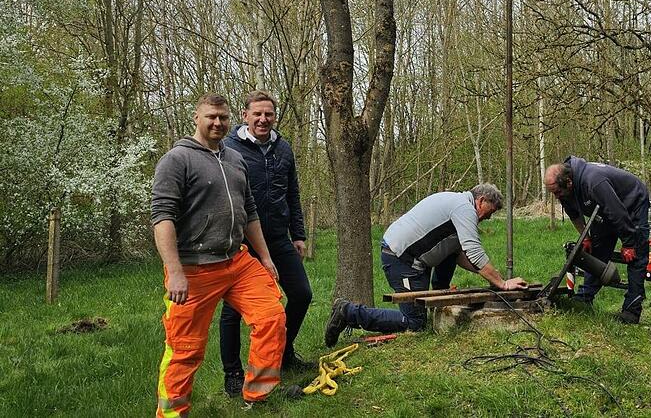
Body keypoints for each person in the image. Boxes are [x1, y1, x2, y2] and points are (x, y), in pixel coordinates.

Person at [151, 93, 287, 416]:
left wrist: (265, 258)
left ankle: (256, 397)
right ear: (196, 118)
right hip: (193, 268)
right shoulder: (177, 160)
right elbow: (162, 217)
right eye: (211, 117)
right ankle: (171, 413)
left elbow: (249, 211)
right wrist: (175, 270)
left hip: (237, 261)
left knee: (271, 317)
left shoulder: (234, 158)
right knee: (185, 349)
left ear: (231, 120)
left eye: (223, 118)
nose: (217, 123)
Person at [323, 184, 527, 346]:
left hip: (412, 258)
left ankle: (438, 299)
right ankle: (348, 312)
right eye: (488, 212)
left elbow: (461, 256)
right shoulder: (465, 208)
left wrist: (489, 276)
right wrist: (502, 283)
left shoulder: (456, 202)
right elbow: (473, 249)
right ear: (481, 200)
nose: (487, 218)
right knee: (414, 323)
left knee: (452, 249)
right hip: (401, 259)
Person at [218, 91, 313, 396]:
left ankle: (283, 354)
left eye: (268, 114)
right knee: (233, 311)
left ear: (274, 117)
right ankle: (233, 374)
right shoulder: (228, 149)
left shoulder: (283, 149)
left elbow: (293, 193)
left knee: (301, 294)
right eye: (257, 114)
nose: (263, 119)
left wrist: (298, 234)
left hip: (277, 238)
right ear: (245, 116)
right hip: (241, 243)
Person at [544, 156, 649, 324]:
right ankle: (584, 298)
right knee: (596, 252)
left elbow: (617, 213)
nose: (556, 197)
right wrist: (585, 237)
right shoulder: (565, 189)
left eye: (557, 192)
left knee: (635, 256)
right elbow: (575, 215)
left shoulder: (593, 181)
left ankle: (631, 311)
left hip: (631, 203)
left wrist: (629, 243)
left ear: (569, 182)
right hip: (604, 209)